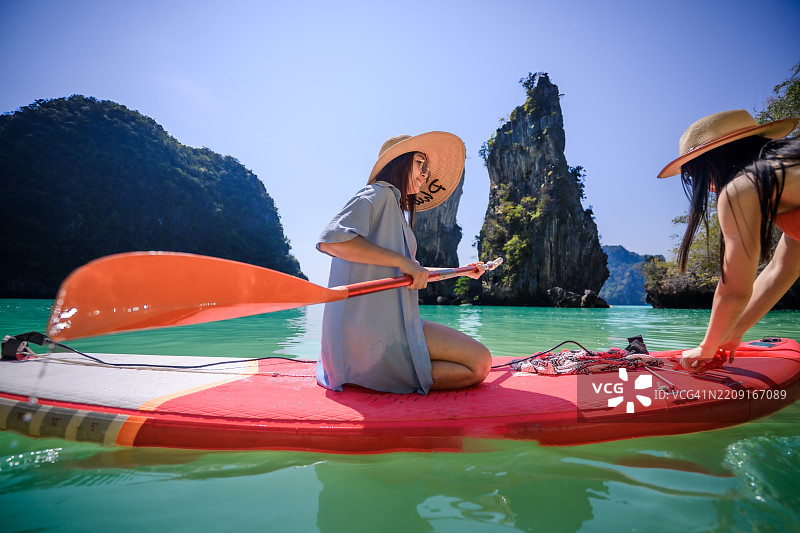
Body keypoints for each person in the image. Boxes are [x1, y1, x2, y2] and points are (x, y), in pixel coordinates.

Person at [316, 132, 492, 394]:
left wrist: (465, 272)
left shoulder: (393, 211)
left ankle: (375, 371)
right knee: (479, 363)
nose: (425, 174)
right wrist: (401, 260)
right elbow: (331, 241)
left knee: (478, 363)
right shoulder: (378, 194)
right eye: (421, 163)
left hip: (376, 334)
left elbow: (413, 271)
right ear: (400, 162)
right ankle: (387, 373)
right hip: (378, 333)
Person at [657, 109, 800, 372]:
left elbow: (734, 291)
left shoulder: (742, 188)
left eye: (692, 174)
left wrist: (706, 347)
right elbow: (783, 268)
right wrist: (733, 332)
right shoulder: (781, 174)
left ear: (710, 162)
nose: (708, 187)